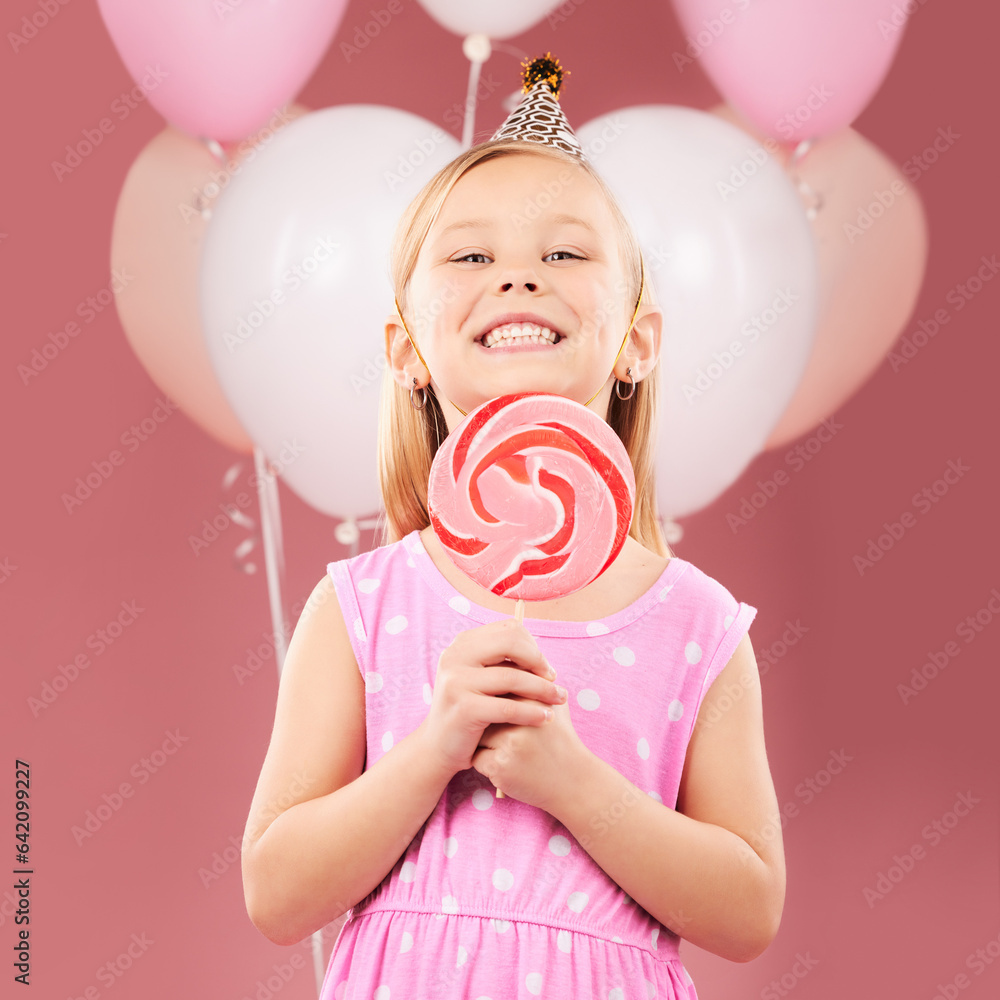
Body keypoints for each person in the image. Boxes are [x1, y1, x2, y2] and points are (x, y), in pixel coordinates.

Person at [241, 53, 785, 998]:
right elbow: (278, 894)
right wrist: (434, 747)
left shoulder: (697, 629)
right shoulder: (365, 610)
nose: (520, 280)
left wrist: (576, 783)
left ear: (637, 345)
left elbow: (749, 911)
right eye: (471, 256)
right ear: (405, 349)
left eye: (566, 254)